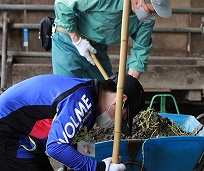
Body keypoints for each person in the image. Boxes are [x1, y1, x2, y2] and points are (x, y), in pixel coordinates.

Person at [0, 73, 145, 171]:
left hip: (24, 136)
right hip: (9, 134)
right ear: (121, 100)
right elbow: (56, 148)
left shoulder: (89, 93)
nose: (116, 123)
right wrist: (99, 168)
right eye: (123, 117)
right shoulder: (83, 100)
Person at [52, 0, 173, 80]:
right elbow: (62, 4)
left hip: (97, 48)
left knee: (106, 92)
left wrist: (129, 85)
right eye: (151, 11)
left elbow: (140, 52)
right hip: (69, 41)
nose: (152, 16)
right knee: (68, 91)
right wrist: (77, 40)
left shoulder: (146, 19)